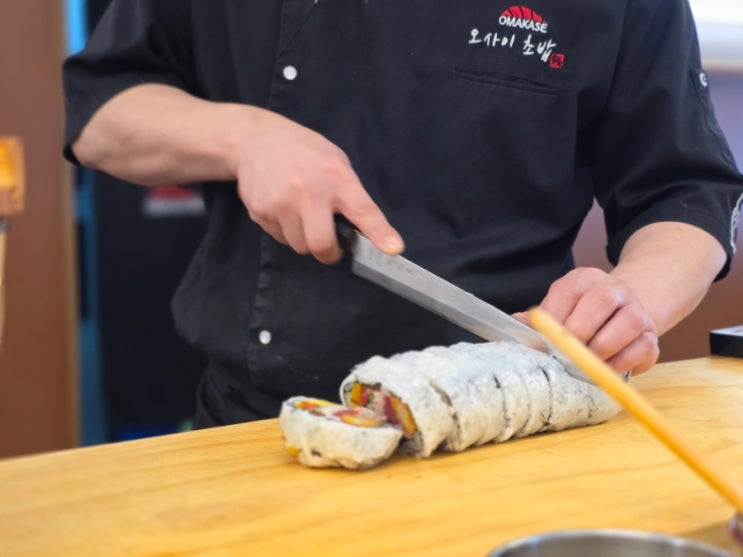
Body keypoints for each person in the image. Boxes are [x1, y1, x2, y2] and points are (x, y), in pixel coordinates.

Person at [63, 0, 743, 428]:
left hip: (510, 414)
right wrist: (244, 138)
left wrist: (632, 300)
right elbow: (100, 112)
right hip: (261, 424)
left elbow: (685, 188)